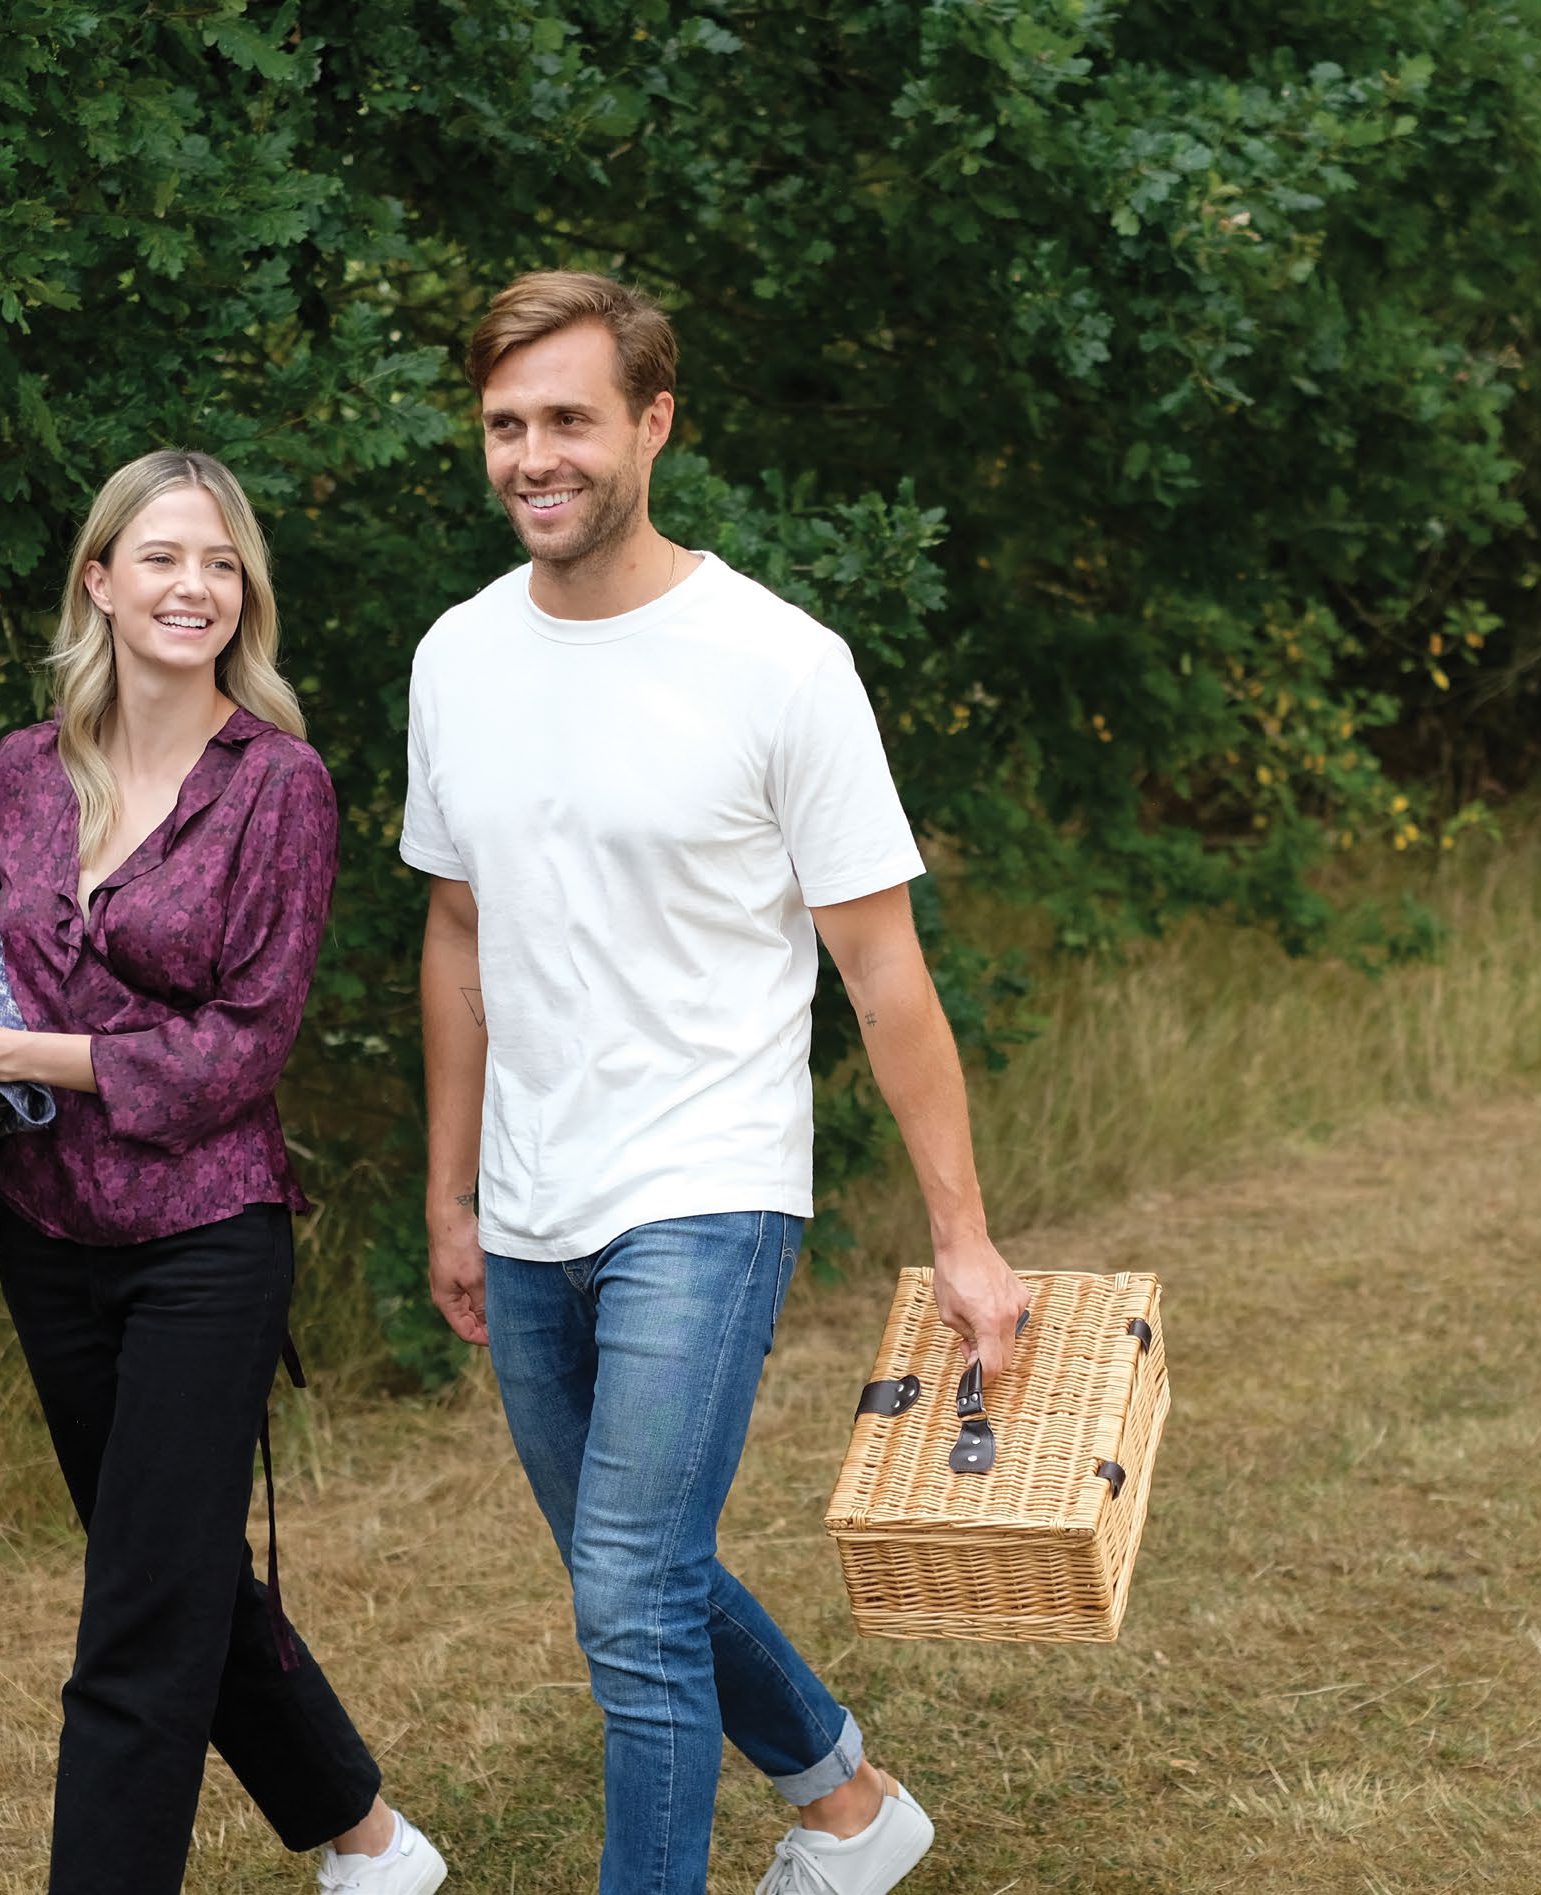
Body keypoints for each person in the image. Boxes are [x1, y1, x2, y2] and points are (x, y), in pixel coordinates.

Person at [403, 270, 1030, 1895]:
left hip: (709, 1180)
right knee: (637, 1572)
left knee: (625, 1585)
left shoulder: (777, 662)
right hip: (532, 1193)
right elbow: (457, 929)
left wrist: (964, 1237)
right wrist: (448, 1190)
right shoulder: (457, 656)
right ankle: (846, 1801)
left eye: (569, 420)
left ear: (653, 423)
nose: (534, 455)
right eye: (505, 425)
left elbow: (884, 974)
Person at [0, 449, 446, 1895]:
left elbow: (236, 1055)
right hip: (49, 1235)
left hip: (208, 1238)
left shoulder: (281, 788)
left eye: (219, 563)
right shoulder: (20, 770)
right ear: (101, 580)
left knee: (135, 1622)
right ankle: (370, 1847)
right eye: (162, 558)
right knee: (178, 1573)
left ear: (242, 592)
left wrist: (22, 1048)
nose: (194, 585)